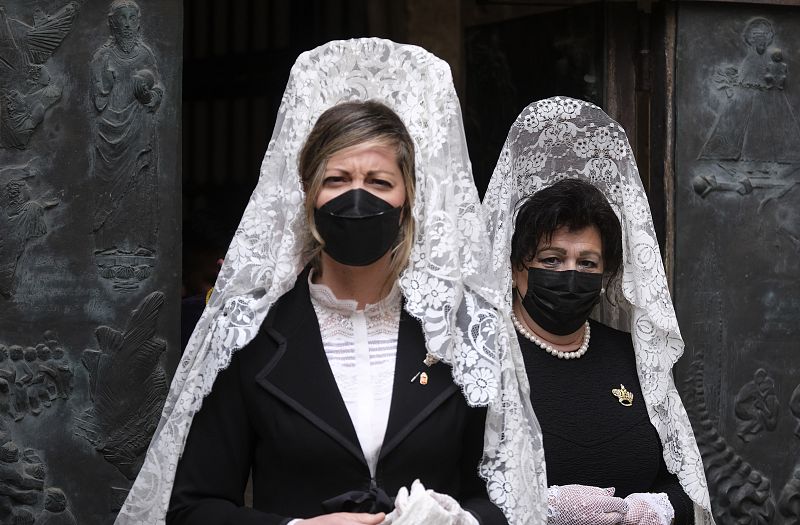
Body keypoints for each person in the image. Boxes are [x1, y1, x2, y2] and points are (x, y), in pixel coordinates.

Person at [117, 39, 546, 525]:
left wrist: (458, 522)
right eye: (337, 179)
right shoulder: (251, 333)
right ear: (307, 193)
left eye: (380, 182)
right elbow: (191, 507)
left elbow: (508, 497)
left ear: (408, 199)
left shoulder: (460, 333)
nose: (358, 197)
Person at [482, 97, 716, 525]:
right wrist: (538, 511)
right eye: (552, 260)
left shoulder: (632, 357)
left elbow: (686, 484)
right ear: (517, 269)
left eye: (587, 263)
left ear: (606, 273)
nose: (571, 274)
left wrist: (653, 510)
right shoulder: (483, 361)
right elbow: (448, 494)